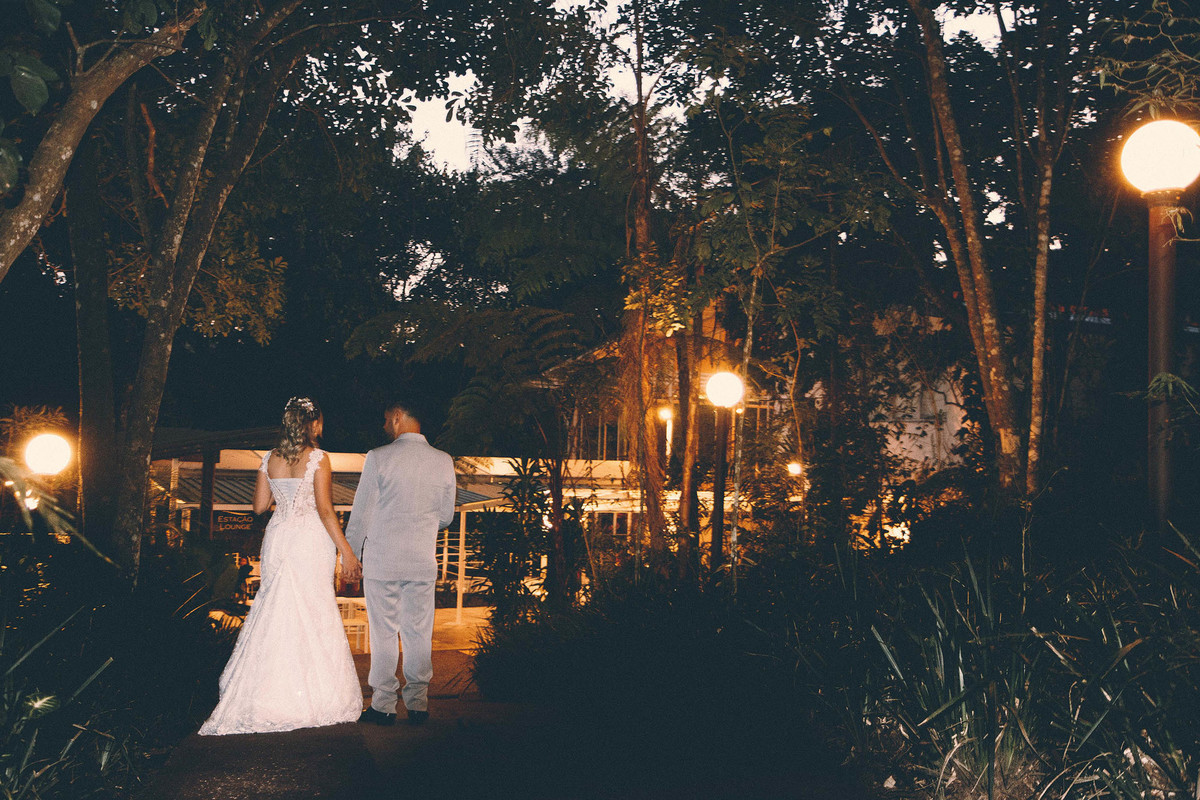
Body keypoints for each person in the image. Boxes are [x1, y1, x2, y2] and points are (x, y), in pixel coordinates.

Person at [199, 397, 364, 735]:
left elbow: (260, 507)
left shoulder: (269, 458)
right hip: (309, 540)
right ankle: (308, 696)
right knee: (311, 609)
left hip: (278, 537)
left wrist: (281, 491)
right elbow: (325, 510)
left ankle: (264, 694)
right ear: (314, 424)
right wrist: (346, 551)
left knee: (275, 608)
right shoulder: (318, 458)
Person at [346, 399, 456, 726]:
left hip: (383, 561)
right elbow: (446, 516)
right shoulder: (443, 460)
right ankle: (418, 704)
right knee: (419, 633)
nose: (383, 426)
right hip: (421, 560)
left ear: (397, 418)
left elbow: (361, 514)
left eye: (385, 420)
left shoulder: (379, 457)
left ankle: (382, 706)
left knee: (384, 633)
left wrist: (349, 557)